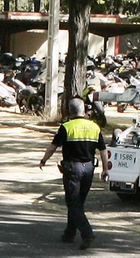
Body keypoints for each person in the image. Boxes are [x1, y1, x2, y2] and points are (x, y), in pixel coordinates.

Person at [39, 97, 106, 249]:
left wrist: (43, 160)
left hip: (72, 169)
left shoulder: (66, 127)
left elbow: (53, 147)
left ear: (69, 111)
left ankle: (87, 233)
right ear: (84, 110)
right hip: (89, 169)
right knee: (78, 203)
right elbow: (103, 150)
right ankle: (69, 233)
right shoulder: (94, 127)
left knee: (73, 203)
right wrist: (105, 169)